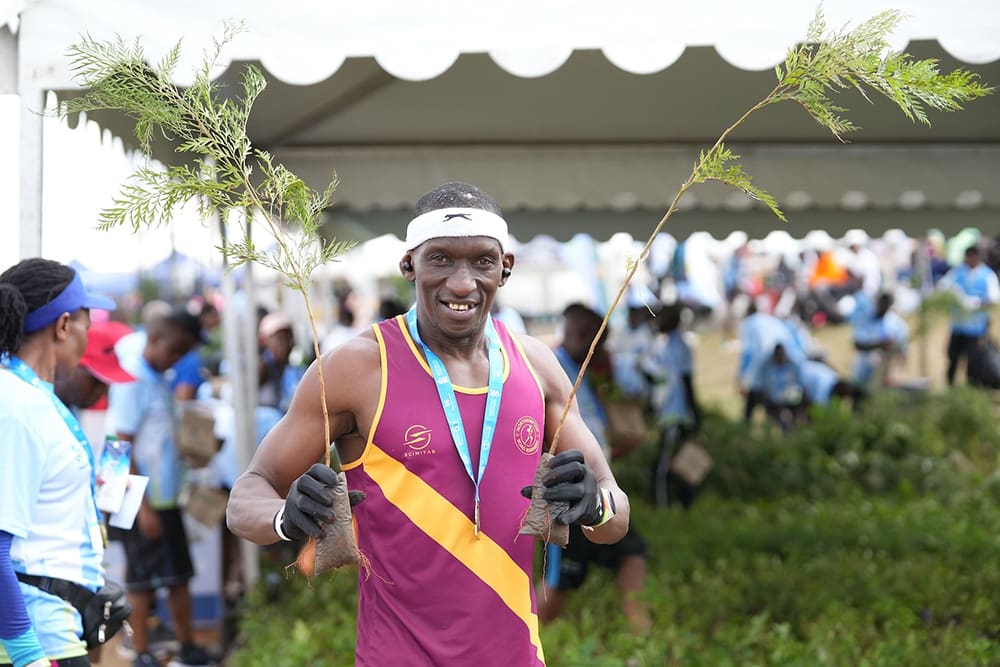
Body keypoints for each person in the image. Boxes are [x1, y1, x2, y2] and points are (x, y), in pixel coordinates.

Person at [227, 182, 630, 666]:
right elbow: (246, 496)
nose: (462, 283)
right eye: (440, 259)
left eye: (482, 260)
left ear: (505, 269)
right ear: (408, 265)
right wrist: (284, 518)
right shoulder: (358, 368)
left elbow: (615, 514)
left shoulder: (536, 366)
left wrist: (596, 507)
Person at [0, 259, 117, 667]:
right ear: (63, 325)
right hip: (35, 640)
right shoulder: (15, 403)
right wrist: (27, 654)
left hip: (55, 630)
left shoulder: (35, 398)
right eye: (88, 319)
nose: (90, 331)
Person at [106, 307, 212, 667]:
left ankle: (186, 646)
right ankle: (140, 653)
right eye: (174, 349)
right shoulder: (132, 380)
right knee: (142, 581)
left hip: (163, 497)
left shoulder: (156, 376)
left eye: (183, 353)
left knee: (178, 575)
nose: (176, 358)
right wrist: (143, 508)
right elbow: (119, 446)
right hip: (142, 500)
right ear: (153, 340)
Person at [542, 304, 649, 634]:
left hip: (598, 492)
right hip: (569, 490)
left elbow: (588, 434)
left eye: (592, 335)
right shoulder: (552, 368)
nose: (585, 340)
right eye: (579, 331)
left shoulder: (587, 372)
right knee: (559, 584)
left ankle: (641, 634)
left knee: (633, 552)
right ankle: (520, 641)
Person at [643, 303, 701, 509]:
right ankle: (684, 503)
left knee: (664, 465)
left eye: (660, 318)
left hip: (676, 414)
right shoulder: (664, 344)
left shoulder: (679, 346)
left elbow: (686, 382)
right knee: (679, 460)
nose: (656, 322)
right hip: (668, 412)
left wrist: (695, 414)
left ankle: (664, 505)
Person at [937, 245, 1000, 385]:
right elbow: (942, 287)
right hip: (958, 326)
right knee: (953, 358)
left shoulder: (987, 275)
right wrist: (955, 294)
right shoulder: (958, 272)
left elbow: (994, 300)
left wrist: (976, 303)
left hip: (976, 328)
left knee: (973, 363)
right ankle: (950, 386)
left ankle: (971, 389)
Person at [53, 319, 136, 414]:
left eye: (106, 383)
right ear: (72, 362)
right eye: (96, 380)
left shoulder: (67, 411)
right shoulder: (38, 410)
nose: (103, 392)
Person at [257, 311, 306, 415]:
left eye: (288, 338)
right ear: (266, 341)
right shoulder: (262, 368)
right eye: (280, 339)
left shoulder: (293, 370)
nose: (286, 344)